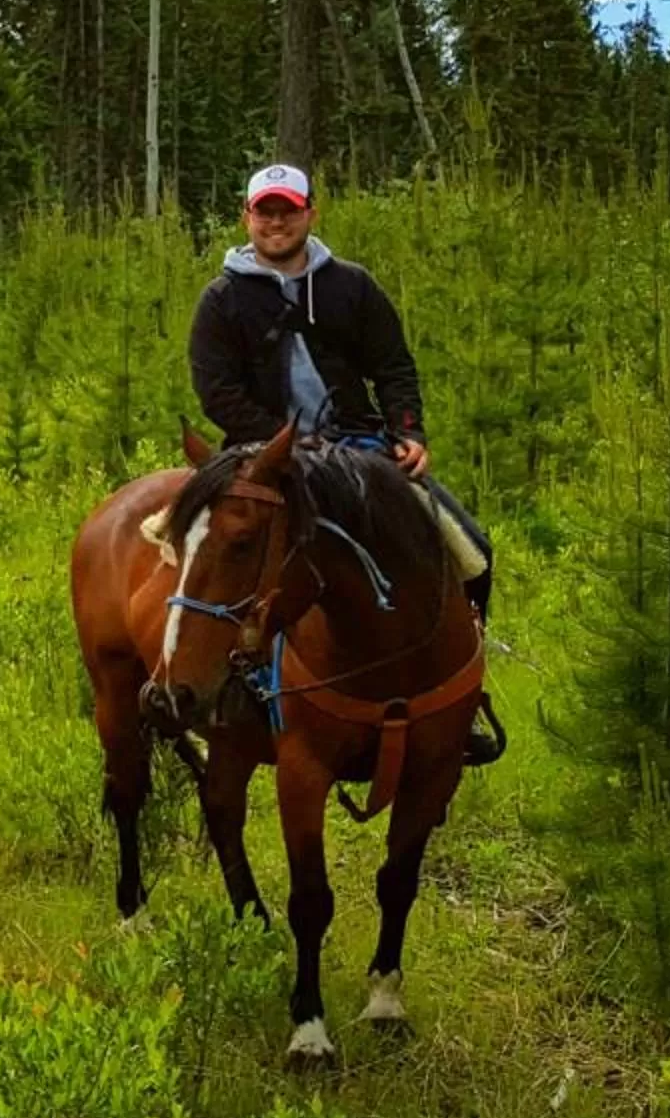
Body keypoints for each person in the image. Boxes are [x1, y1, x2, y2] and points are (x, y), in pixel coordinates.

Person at [188, 163, 500, 755]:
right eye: (264, 211)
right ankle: (217, 688)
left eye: (287, 210)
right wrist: (285, 445)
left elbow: (393, 366)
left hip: (360, 449)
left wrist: (408, 432)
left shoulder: (352, 286)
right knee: (216, 555)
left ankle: (462, 698)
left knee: (471, 550)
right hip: (262, 457)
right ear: (246, 217)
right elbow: (216, 391)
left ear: (310, 213)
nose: (275, 221)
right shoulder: (223, 299)